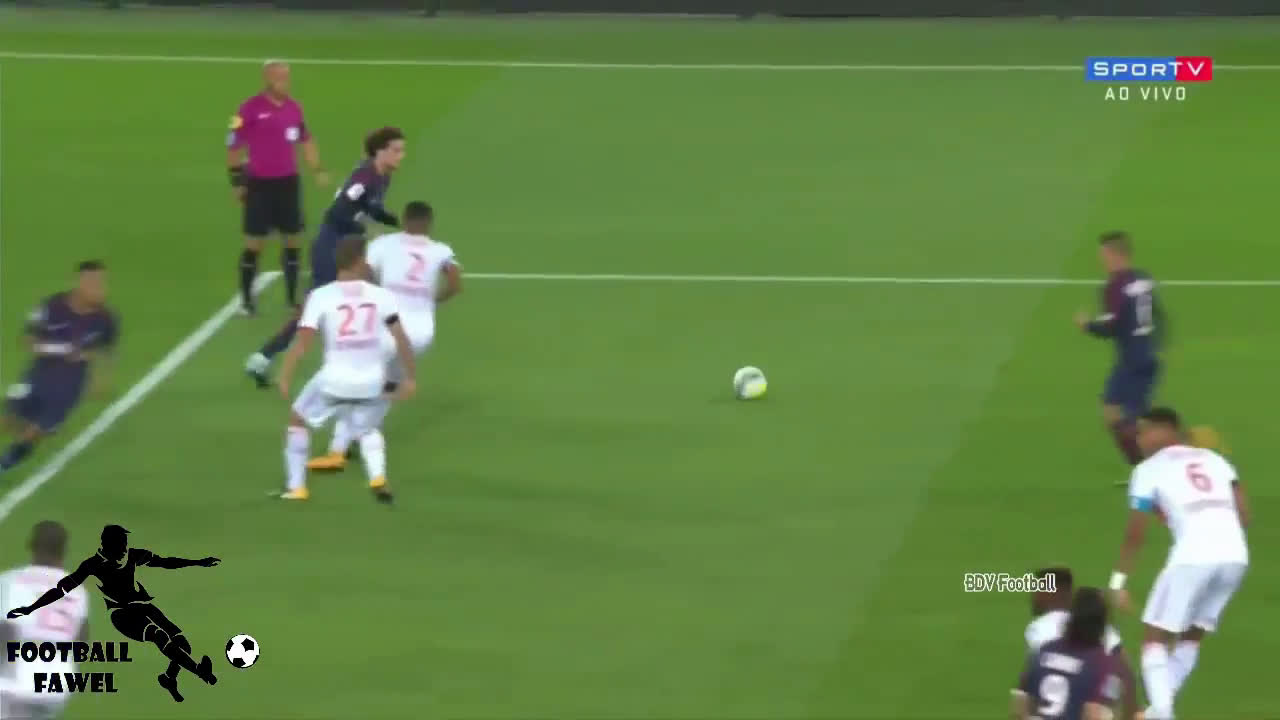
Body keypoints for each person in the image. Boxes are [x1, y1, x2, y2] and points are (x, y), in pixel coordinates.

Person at [1107, 407, 1250, 720]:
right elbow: (1244, 515)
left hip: (1193, 556)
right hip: (1235, 555)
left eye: (1144, 431)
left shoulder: (1147, 470)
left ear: (1166, 430)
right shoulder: (1216, 460)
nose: (1139, 439)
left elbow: (1135, 533)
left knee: (1153, 639)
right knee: (1191, 637)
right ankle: (1155, 714)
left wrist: (1118, 582)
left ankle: (1162, 715)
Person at [245, 127, 405, 387]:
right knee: (316, 309)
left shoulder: (382, 176)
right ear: (380, 151)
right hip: (331, 246)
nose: (401, 155)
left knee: (373, 298)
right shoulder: (365, 177)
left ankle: (375, 365)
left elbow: (371, 207)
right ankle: (263, 358)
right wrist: (366, 228)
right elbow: (340, 213)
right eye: (396, 150)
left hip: (349, 246)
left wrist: (395, 221)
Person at [308, 201, 462, 472]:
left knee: (358, 383)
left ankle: (338, 449)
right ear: (429, 224)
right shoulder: (441, 250)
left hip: (387, 329)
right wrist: (432, 301)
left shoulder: (384, 244)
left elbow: (362, 275)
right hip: (421, 333)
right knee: (389, 386)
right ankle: (363, 432)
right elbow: (455, 283)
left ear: (404, 220)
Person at [5, 525, 221, 704]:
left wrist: (198, 562)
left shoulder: (133, 556)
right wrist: (30, 608)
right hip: (122, 615)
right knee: (158, 635)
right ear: (109, 545)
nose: (125, 548)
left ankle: (168, 678)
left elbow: (165, 562)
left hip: (145, 608)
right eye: (121, 544)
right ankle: (200, 672)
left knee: (183, 644)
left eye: (125, 543)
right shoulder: (93, 565)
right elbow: (61, 589)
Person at [275, 234, 417, 503]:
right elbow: (401, 338)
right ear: (360, 260)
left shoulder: (320, 296)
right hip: (372, 382)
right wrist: (410, 377)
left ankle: (296, 487)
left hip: (333, 381)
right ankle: (378, 477)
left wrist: (285, 376)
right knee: (367, 428)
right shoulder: (382, 296)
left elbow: (302, 345)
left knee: (297, 420)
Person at [227, 60, 329, 314]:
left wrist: (317, 169)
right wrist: (237, 180)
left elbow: (306, 140)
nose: (285, 82)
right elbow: (233, 144)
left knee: (292, 241)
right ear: (268, 79)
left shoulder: (295, 108)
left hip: (288, 183)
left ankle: (292, 299)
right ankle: (247, 301)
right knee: (254, 244)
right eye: (280, 78)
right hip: (259, 184)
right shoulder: (248, 108)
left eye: (287, 77)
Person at [1, 261, 117, 475]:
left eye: (101, 282)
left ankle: (5, 462)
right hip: (36, 375)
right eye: (92, 282)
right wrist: (62, 350)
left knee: (38, 430)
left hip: (69, 386)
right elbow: (28, 340)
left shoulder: (106, 317)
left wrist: (102, 379)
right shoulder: (50, 306)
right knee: (7, 419)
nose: (98, 288)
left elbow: (107, 349)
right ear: (79, 283)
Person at [1074, 231, 1163, 468]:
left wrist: (1087, 325)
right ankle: (1146, 467)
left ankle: (1153, 468)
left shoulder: (1114, 286)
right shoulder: (1143, 278)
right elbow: (1157, 314)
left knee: (1134, 423)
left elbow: (1111, 327)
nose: (1101, 260)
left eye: (1104, 255)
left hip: (1132, 361)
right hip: (1145, 356)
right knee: (1112, 411)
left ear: (1116, 255)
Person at [0, 521, 90, 720]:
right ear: (64, 551)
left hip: (17, 684)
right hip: (58, 686)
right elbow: (81, 640)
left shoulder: (11, 581)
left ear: (31, 545)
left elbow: (6, 634)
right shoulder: (77, 590)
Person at [1024, 567, 1136, 719]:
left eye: (1039, 590)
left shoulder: (1040, 630)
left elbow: (1029, 687)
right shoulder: (1098, 628)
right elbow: (1125, 670)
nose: (1034, 597)